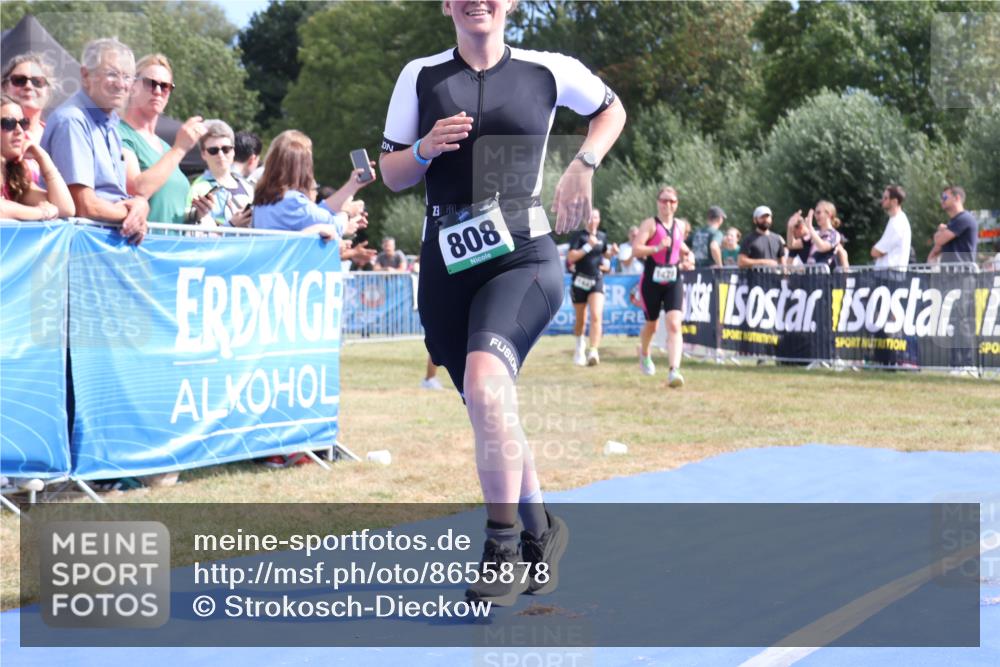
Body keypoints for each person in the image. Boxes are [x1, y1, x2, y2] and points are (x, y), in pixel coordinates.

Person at [379, 0, 626, 607]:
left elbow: (610, 110)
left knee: (490, 390)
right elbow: (390, 173)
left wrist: (582, 165)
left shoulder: (547, 69)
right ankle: (543, 532)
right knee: (492, 410)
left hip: (522, 255)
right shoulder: (421, 75)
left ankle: (502, 546)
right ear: (447, 6)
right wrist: (426, 149)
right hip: (446, 266)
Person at [41, 38, 148, 243]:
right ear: (85, 75)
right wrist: (133, 213)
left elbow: (114, 196)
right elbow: (84, 205)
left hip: (101, 246)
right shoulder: (73, 121)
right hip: (76, 250)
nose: (121, 84)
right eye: (112, 74)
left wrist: (140, 205)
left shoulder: (111, 125)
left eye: (127, 76)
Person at [120, 54, 204, 224]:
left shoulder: (165, 147)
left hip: (172, 246)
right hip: (140, 245)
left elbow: (168, 208)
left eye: (165, 86)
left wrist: (196, 214)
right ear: (132, 86)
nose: (158, 91)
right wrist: (180, 149)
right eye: (150, 83)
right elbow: (137, 189)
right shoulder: (119, 133)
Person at [252, 130, 372, 248]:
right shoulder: (292, 200)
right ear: (302, 166)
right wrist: (347, 212)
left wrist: (352, 186)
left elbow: (317, 212)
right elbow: (332, 223)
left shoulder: (266, 197)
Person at [631, 186, 689, 386]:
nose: (668, 205)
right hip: (651, 280)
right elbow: (636, 250)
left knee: (674, 324)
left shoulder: (681, 225)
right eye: (664, 200)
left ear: (677, 204)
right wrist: (656, 247)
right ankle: (645, 353)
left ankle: (674, 371)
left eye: (672, 201)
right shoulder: (650, 224)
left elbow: (680, 245)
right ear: (658, 203)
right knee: (652, 325)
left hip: (673, 279)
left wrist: (688, 257)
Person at [1, 94, 74, 220]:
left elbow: (65, 208)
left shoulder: (14, 177)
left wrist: (42, 158)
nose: (19, 131)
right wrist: (40, 212)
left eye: (23, 123)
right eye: (9, 123)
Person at [567, 208, 617, 366]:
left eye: (595, 216)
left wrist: (612, 252)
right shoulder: (578, 236)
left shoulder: (602, 236)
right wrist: (587, 246)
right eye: (589, 217)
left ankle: (593, 351)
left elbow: (603, 253)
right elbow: (571, 257)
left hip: (596, 279)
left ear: (599, 219)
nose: (592, 219)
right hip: (579, 280)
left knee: (596, 315)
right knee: (581, 319)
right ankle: (579, 348)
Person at [185, 120, 254, 227]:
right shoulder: (198, 189)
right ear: (203, 154)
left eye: (226, 149)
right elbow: (194, 233)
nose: (220, 155)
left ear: (233, 151)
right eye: (213, 150)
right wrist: (231, 226)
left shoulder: (248, 186)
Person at [2, 53, 55, 180]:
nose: (28, 86)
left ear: (48, 91)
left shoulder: (57, 134)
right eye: (19, 80)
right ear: (3, 87)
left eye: (38, 82)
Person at [786, 201, 847, 269]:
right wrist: (790, 227)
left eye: (818, 212)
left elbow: (822, 247)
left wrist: (810, 227)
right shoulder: (815, 233)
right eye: (815, 213)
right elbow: (791, 245)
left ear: (829, 214)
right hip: (813, 276)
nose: (816, 216)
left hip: (826, 277)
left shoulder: (834, 234)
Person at [928, 185, 978, 265]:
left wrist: (941, 231)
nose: (942, 200)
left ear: (957, 198)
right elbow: (937, 245)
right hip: (952, 275)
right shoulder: (953, 222)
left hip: (962, 275)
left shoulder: (964, 218)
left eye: (944, 197)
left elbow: (938, 240)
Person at [871, 185, 911, 269]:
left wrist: (875, 250)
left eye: (885, 198)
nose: (882, 201)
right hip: (890, 274)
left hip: (891, 275)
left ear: (894, 201)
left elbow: (876, 252)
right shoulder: (896, 219)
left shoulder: (897, 223)